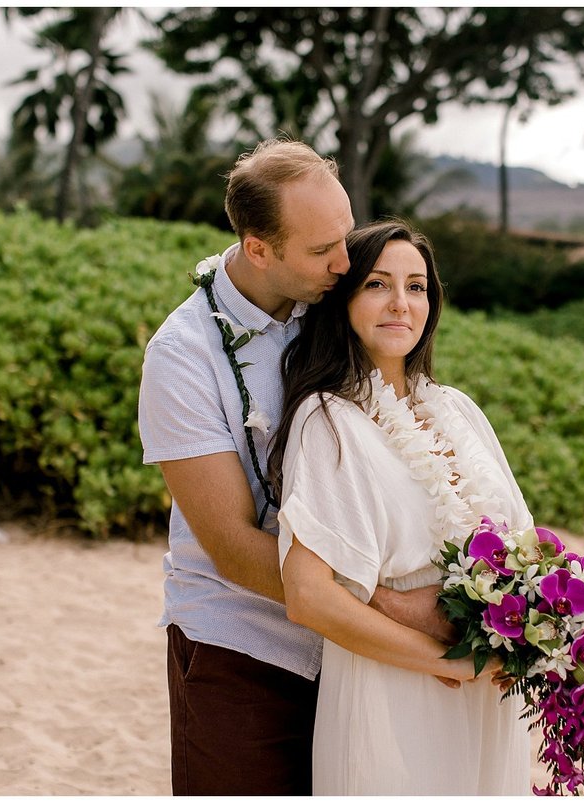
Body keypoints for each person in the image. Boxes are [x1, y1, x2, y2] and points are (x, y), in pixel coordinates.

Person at [137, 140, 453, 795]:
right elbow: (229, 544)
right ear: (259, 248)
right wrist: (394, 606)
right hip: (243, 645)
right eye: (320, 251)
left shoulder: (334, 301)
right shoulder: (183, 356)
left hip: (353, 656)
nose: (344, 263)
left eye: (345, 236)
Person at [268, 219, 532, 795]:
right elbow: (309, 595)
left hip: (487, 696)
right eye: (377, 284)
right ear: (344, 299)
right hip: (395, 686)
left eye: (416, 287)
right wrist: (445, 660)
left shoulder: (459, 409)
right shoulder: (328, 419)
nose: (400, 303)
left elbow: (525, 550)